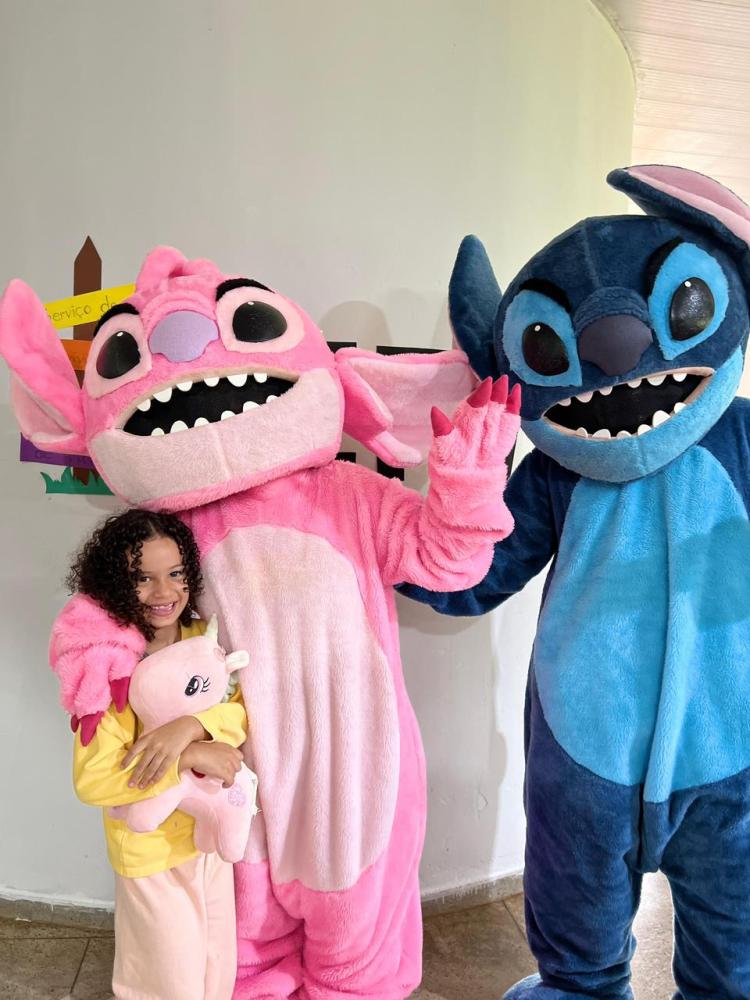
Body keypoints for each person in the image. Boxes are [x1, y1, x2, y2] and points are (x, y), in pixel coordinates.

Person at [65, 509, 247, 1000]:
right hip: (149, 852)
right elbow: (93, 779)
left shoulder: (202, 641)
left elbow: (238, 710)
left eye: (175, 574)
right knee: (167, 984)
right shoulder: (105, 670)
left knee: (216, 972)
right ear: (115, 582)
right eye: (142, 578)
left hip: (207, 838)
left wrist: (190, 729)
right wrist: (186, 758)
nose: (164, 592)